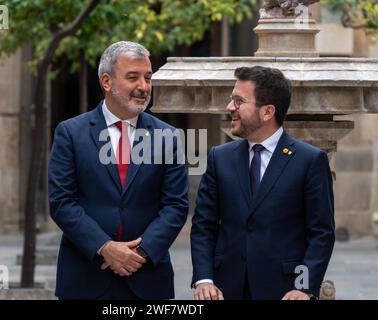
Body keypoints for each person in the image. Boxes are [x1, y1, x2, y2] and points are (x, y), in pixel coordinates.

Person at [48, 41, 188, 300]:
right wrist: (105, 247)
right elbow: (61, 202)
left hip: (147, 280)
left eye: (148, 78)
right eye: (133, 77)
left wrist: (140, 252)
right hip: (85, 278)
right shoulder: (70, 133)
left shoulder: (168, 137)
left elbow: (176, 205)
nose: (143, 87)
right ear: (107, 82)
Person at [191, 66, 335, 300]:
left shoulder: (310, 160)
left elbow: (321, 233)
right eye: (231, 100)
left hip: (284, 291)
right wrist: (204, 279)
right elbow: (203, 226)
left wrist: (303, 287)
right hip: (224, 291)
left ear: (267, 112)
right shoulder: (219, 157)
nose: (230, 108)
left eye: (239, 101)